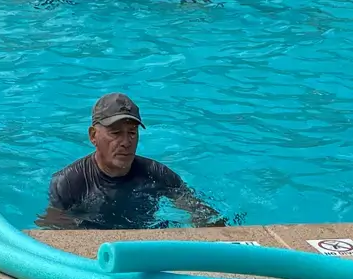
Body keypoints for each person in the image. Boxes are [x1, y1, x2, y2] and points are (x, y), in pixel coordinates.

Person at [40, 93, 223, 229]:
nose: (126, 142)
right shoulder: (69, 183)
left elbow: (204, 216)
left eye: (132, 133)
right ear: (93, 136)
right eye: (116, 133)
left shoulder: (158, 175)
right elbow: (51, 235)